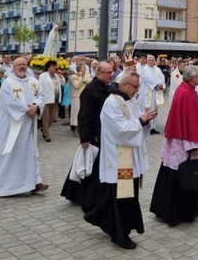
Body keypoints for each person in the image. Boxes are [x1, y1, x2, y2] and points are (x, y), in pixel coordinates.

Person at [84, 71, 156, 249]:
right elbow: (119, 130)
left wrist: (145, 121)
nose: (137, 90)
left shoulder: (127, 99)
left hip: (129, 156)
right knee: (122, 197)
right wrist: (141, 121)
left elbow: (134, 120)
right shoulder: (112, 103)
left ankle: (112, 224)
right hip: (119, 158)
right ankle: (119, 235)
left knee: (126, 197)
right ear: (124, 85)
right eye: (135, 86)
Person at [150, 65, 198, 226]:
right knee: (182, 176)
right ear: (192, 78)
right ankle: (178, 212)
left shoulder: (186, 89)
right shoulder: (186, 93)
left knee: (189, 176)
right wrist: (192, 146)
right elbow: (188, 122)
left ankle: (194, 207)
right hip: (183, 143)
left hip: (179, 140)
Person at [0, 57, 48, 197]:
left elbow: (41, 95)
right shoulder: (8, 83)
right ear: (13, 67)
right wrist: (28, 109)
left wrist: (36, 106)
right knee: (9, 153)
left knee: (30, 152)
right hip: (11, 125)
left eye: (24, 65)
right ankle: (3, 186)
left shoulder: (33, 81)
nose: (22, 67)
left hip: (28, 124)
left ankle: (34, 183)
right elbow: (9, 101)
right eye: (18, 65)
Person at [60, 62, 113, 208]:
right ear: (99, 73)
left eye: (112, 72)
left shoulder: (106, 88)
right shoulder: (91, 90)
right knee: (87, 165)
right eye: (108, 72)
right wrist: (84, 137)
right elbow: (84, 115)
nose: (111, 74)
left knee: (92, 165)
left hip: (103, 132)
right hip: (93, 133)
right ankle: (78, 195)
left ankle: (86, 194)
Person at [139, 55, 165, 135]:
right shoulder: (144, 69)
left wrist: (160, 84)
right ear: (147, 61)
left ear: (154, 61)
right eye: (149, 60)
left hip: (156, 92)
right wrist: (156, 85)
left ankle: (153, 127)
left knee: (155, 109)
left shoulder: (157, 69)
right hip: (148, 92)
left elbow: (162, 77)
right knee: (148, 108)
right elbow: (146, 79)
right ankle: (147, 126)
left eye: (152, 60)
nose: (150, 61)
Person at [37, 60, 60, 143]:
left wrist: (61, 77)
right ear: (48, 67)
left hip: (55, 98)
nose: (55, 68)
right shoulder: (43, 76)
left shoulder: (56, 76)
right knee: (46, 117)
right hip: (46, 99)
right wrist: (40, 98)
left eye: (55, 66)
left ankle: (44, 129)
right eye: (53, 66)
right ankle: (46, 135)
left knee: (53, 116)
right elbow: (40, 87)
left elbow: (62, 84)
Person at [69, 65, 92, 136]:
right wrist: (81, 78)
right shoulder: (73, 76)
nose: (85, 68)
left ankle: (82, 128)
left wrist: (83, 78)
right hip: (77, 97)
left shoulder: (88, 75)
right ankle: (76, 129)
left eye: (85, 67)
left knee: (84, 113)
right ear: (79, 69)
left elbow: (90, 82)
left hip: (86, 96)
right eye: (83, 67)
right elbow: (76, 85)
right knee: (77, 113)